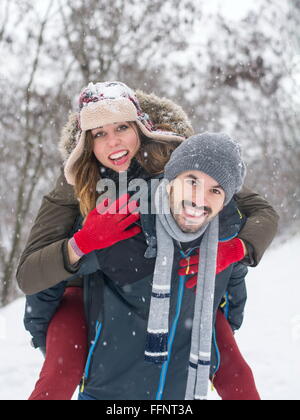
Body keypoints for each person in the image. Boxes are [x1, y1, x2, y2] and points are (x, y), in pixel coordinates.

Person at [16, 82, 278, 400]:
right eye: (99, 133)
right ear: (86, 143)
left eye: (122, 127)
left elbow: (250, 212)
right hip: (87, 284)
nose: (113, 141)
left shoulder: (177, 164)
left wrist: (235, 254)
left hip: (175, 283)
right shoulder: (75, 182)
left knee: (235, 374)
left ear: (140, 127)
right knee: (59, 376)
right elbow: (31, 274)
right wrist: (82, 243)